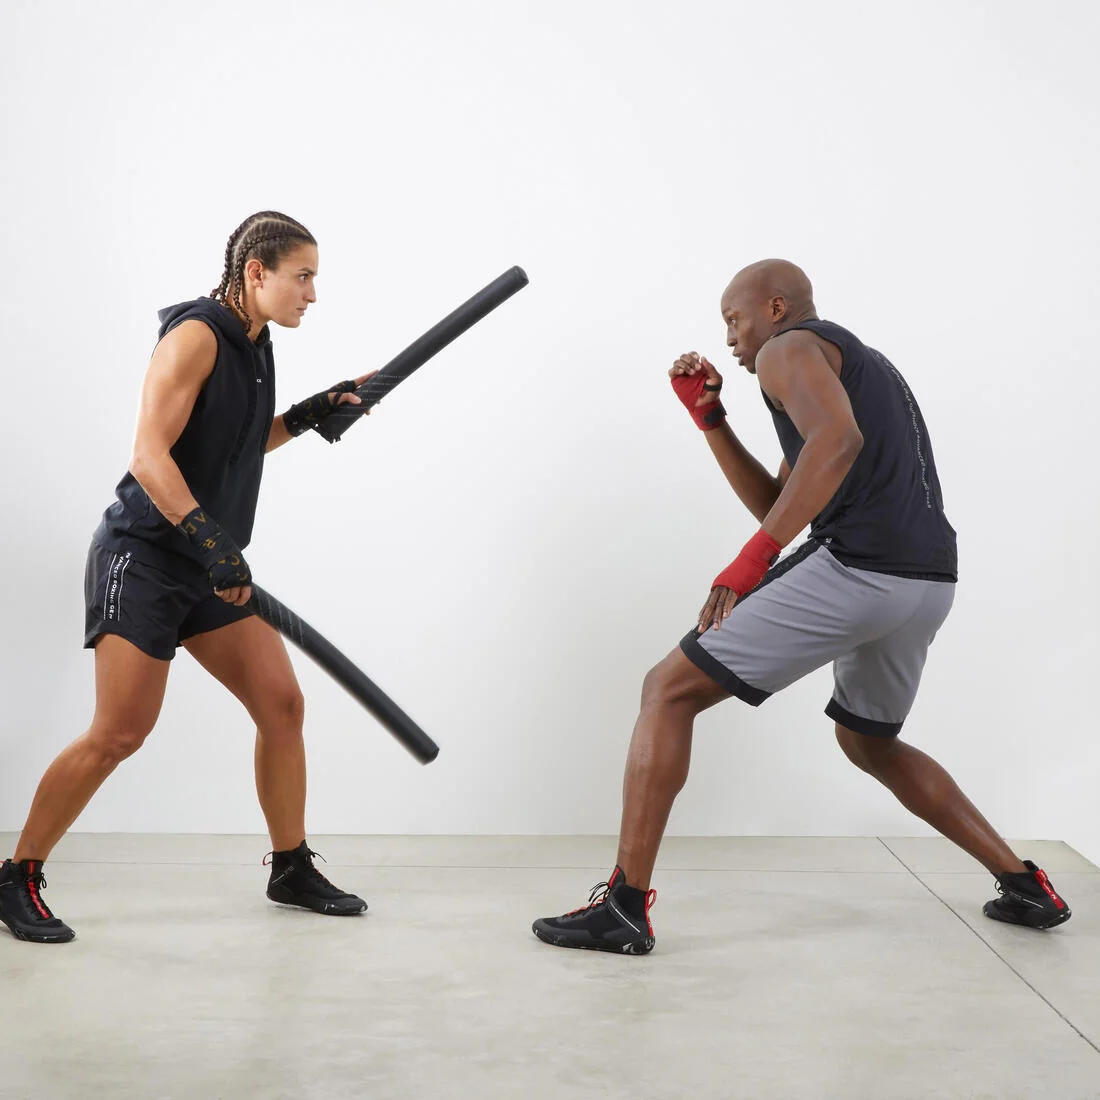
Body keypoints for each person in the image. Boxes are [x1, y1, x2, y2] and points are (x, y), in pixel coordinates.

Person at [532, 259, 1071, 955]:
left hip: (862, 566)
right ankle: (1025, 882)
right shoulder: (849, 365)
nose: (729, 338)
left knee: (665, 690)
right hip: (928, 581)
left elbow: (836, 447)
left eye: (734, 319)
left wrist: (752, 560)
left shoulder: (789, 351)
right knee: (869, 742)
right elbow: (789, 492)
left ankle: (625, 908)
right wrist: (713, 421)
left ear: (776, 308)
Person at [0, 211, 374, 944]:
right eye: (304, 276)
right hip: (144, 558)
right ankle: (17, 874)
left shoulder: (258, 346)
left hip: (208, 567)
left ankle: (290, 865)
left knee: (282, 706)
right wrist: (210, 540)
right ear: (257, 273)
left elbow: (236, 442)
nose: (313, 294)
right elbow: (149, 454)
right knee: (119, 733)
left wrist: (307, 414)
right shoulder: (198, 334)